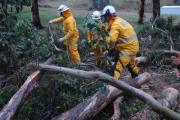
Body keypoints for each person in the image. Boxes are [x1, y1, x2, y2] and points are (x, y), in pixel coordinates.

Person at [101, 5, 139, 79]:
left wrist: (109, 49)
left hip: (128, 49)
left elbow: (112, 40)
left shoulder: (115, 25)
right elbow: (120, 39)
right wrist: (115, 49)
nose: (105, 18)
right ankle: (137, 78)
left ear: (109, 15)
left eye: (105, 16)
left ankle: (113, 85)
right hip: (132, 47)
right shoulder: (119, 21)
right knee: (131, 64)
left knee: (118, 67)